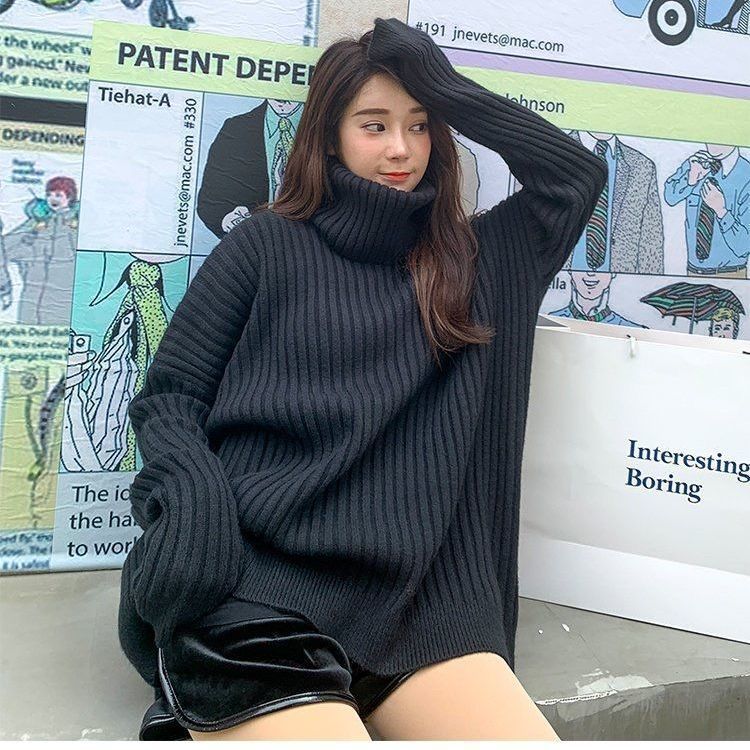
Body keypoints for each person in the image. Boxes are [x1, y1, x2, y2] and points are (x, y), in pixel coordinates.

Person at [118, 17, 606, 741]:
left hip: (428, 610)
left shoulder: (482, 259)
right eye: (373, 125)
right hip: (259, 590)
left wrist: (436, 81)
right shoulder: (265, 246)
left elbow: (575, 178)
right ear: (329, 135)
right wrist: (193, 504)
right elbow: (170, 399)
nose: (401, 149)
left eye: (420, 124)